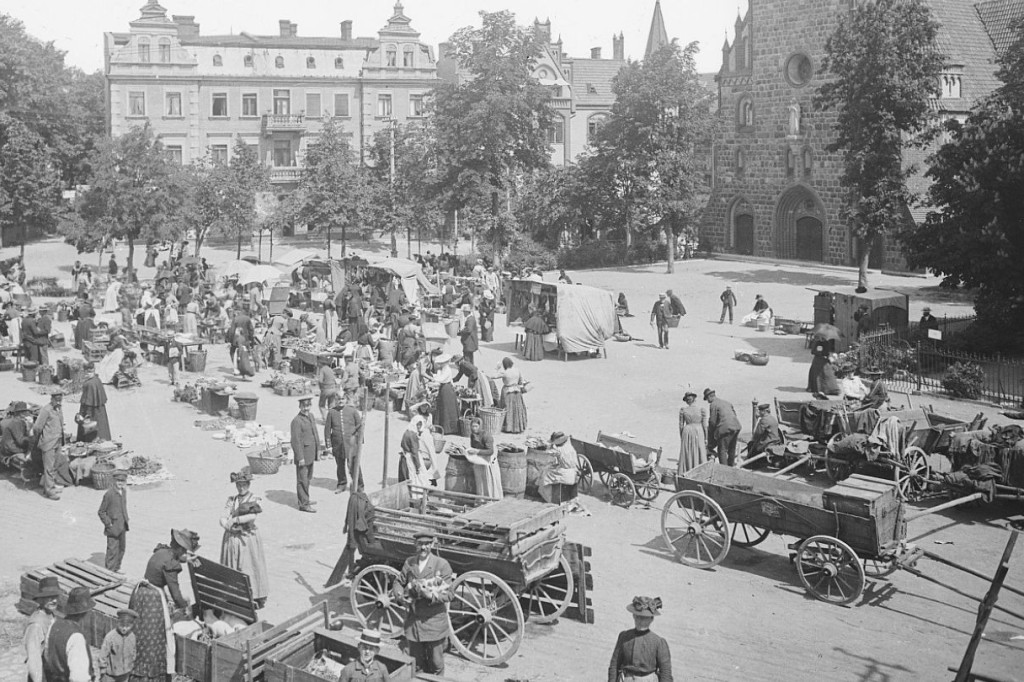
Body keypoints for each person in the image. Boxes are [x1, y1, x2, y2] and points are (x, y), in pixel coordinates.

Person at [130, 529, 199, 682]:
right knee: (156, 636)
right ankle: (151, 675)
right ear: (180, 549)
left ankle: (139, 668)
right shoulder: (170, 564)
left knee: (142, 632)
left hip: (141, 594)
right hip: (152, 600)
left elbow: (176, 557)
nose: (185, 553)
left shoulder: (163, 552)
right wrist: (185, 608)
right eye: (185, 551)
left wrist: (187, 559)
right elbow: (175, 593)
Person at [394, 531, 453, 676]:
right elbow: (398, 581)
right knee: (416, 663)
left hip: (433, 623)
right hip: (414, 622)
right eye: (420, 544)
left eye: (427, 544)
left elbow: (449, 594)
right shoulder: (410, 563)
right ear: (415, 545)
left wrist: (430, 595)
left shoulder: (441, 564)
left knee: (436, 664)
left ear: (432, 545)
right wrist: (400, 596)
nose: (423, 548)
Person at [219, 468, 269, 609]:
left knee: (250, 566)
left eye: (244, 485)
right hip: (232, 536)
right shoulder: (232, 500)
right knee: (233, 565)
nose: (241, 488)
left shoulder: (254, 499)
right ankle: (236, 595)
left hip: (247, 538)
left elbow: (252, 516)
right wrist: (227, 525)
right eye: (238, 485)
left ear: (248, 485)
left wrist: (236, 519)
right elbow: (223, 516)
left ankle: (255, 595)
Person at [608, 596, 673, 682]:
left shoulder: (659, 642)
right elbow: (614, 664)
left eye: (645, 618)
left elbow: (666, 672)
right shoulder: (624, 637)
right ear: (634, 616)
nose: (640, 620)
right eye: (638, 616)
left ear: (651, 619)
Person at [324, 485, 376, 589]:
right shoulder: (360, 503)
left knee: (351, 547)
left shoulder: (360, 501)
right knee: (350, 548)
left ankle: (351, 570)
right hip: (360, 533)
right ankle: (351, 571)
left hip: (359, 532)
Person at [42, 586, 94, 682]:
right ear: (86, 612)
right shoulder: (77, 638)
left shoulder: (54, 625)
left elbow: (46, 655)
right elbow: (79, 678)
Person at [34, 391, 71, 500]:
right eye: (57, 399)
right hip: (48, 443)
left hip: (57, 441)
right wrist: (41, 438)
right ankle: (49, 491)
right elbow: (37, 427)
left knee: (54, 465)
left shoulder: (59, 409)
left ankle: (50, 486)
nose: (59, 401)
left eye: (61, 399)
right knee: (48, 467)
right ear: (52, 398)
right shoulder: (46, 410)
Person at [24, 576, 61, 682]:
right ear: (40, 599)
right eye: (49, 597)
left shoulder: (51, 615)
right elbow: (34, 660)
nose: (54, 600)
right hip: (42, 675)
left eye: (56, 596)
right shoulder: (36, 625)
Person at [325, 393, 363, 493]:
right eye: (338, 399)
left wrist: (360, 442)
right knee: (340, 466)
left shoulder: (352, 411)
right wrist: (329, 445)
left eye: (342, 399)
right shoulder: (331, 412)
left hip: (351, 445)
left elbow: (360, 427)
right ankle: (342, 484)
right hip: (338, 445)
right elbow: (327, 430)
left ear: (346, 399)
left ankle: (359, 486)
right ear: (335, 400)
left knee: (354, 466)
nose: (340, 401)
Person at [291, 397, 320, 513]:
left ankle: (305, 498)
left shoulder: (311, 416)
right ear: (300, 407)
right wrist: (300, 458)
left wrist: (318, 450)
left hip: (311, 453)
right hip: (303, 456)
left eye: (308, 406)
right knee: (302, 480)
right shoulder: (296, 421)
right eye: (304, 406)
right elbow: (295, 441)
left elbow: (315, 434)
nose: (306, 408)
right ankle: (304, 504)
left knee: (308, 478)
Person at [537, 432, 581, 507]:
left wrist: (548, 446)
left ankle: (549, 497)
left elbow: (547, 452)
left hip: (565, 474)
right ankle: (571, 498)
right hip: (573, 471)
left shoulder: (558, 450)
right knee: (553, 469)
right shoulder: (570, 447)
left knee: (546, 474)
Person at [98, 470, 130, 572]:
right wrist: (108, 523)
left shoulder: (124, 492)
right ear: (114, 481)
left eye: (123, 481)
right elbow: (101, 512)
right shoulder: (109, 494)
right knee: (112, 550)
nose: (120, 483)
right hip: (113, 527)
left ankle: (116, 568)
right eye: (118, 481)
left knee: (121, 549)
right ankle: (109, 572)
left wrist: (126, 518)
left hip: (123, 525)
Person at [463, 418, 502, 499]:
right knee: (480, 482)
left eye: (476, 426)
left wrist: (477, 451)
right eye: (472, 426)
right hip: (479, 460)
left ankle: (492, 499)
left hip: (488, 461)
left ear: (480, 426)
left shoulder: (486, 435)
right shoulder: (472, 435)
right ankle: (481, 500)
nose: (474, 428)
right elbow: (473, 446)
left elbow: (490, 451)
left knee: (489, 482)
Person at [97, 609, 137, 682]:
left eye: (127, 626)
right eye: (122, 625)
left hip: (125, 673)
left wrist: (131, 664)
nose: (124, 628)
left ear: (132, 625)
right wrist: (102, 669)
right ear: (117, 622)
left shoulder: (132, 636)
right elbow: (103, 654)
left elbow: (133, 651)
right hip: (110, 674)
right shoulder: (110, 636)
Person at [705, 388, 741, 467]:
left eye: (707, 399)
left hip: (725, 429)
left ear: (709, 397)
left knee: (722, 449)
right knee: (732, 448)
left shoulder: (713, 404)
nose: (707, 401)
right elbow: (734, 414)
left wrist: (711, 435)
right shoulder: (726, 402)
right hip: (736, 426)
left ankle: (724, 469)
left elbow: (712, 422)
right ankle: (731, 466)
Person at [78, 362, 111, 442]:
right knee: (101, 427)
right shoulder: (97, 380)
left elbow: (88, 402)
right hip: (99, 410)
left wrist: (83, 414)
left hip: (91, 412)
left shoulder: (89, 384)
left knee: (91, 430)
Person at [493, 357, 528, 433]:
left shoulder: (504, 372)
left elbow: (493, 376)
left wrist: (497, 368)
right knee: (517, 409)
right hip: (517, 391)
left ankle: (508, 427)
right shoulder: (517, 370)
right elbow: (521, 381)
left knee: (508, 409)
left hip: (508, 391)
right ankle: (518, 426)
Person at [677, 392, 708, 474]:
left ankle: (686, 470)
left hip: (687, 430)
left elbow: (680, 425)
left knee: (687, 451)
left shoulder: (683, 410)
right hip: (698, 430)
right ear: (694, 399)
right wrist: (706, 438)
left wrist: (682, 436)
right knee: (700, 449)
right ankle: (700, 471)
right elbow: (705, 426)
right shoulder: (702, 410)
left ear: (687, 401)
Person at [2, 401, 33, 477]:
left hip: (9, 448)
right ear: (22, 413)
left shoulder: (15, 421)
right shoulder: (17, 423)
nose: (29, 414)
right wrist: (31, 436)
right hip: (11, 450)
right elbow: (21, 441)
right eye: (27, 412)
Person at [430, 354, 459, 435]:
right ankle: (443, 426)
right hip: (445, 388)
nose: (440, 364)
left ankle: (449, 429)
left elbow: (441, 379)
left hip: (446, 389)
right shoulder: (443, 369)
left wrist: (433, 378)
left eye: (441, 363)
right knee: (443, 406)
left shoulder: (447, 370)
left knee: (447, 407)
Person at [316, 357, 339, 422]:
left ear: (321, 363)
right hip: (333, 389)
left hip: (326, 389)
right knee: (331, 405)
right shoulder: (330, 369)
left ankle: (325, 420)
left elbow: (320, 381)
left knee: (321, 405)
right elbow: (335, 380)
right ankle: (332, 419)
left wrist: (321, 388)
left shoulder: (322, 370)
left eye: (318, 363)